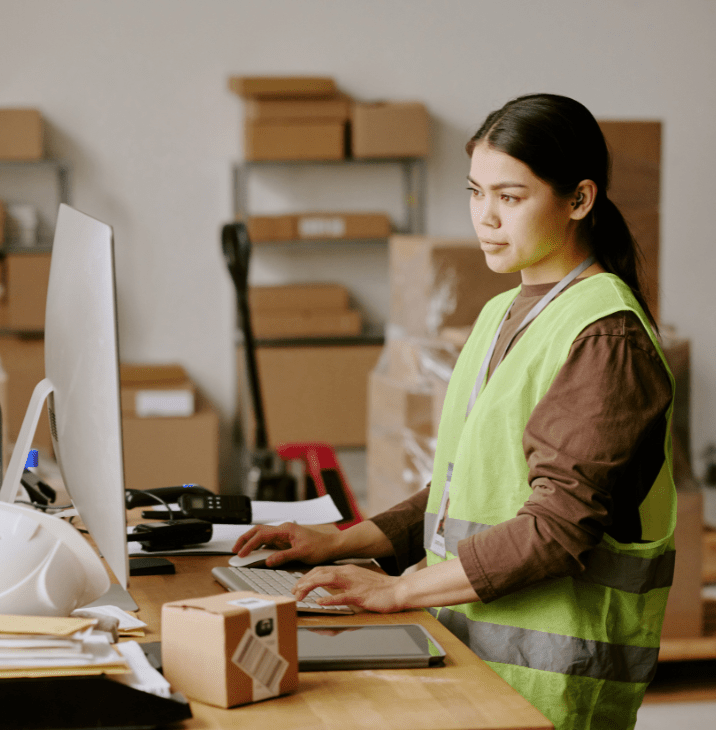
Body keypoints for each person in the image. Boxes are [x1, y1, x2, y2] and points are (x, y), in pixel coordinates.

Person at [233, 93, 676, 730]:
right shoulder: (502, 313)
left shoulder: (605, 337)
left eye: (511, 197)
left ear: (580, 200)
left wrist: (399, 589)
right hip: (472, 662)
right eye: (475, 192)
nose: (485, 218)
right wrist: (343, 541)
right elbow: (465, 490)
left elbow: (556, 527)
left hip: (546, 694)